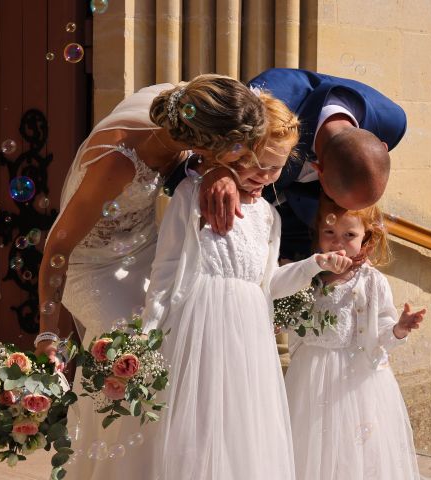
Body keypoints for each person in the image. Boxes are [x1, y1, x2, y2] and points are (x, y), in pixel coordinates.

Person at [33, 74, 269, 480]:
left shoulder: (184, 104)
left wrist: (216, 171)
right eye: (236, 152)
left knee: (181, 341)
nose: (247, 161)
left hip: (146, 252)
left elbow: (206, 153)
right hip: (92, 269)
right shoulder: (117, 160)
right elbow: (57, 249)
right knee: (133, 356)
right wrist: (47, 335)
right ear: (205, 141)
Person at [141, 94, 351, 480]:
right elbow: (166, 268)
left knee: (242, 425)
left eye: (276, 168)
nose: (266, 176)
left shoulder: (269, 215)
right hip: (198, 327)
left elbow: (267, 284)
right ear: (232, 152)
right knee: (198, 425)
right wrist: (148, 333)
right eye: (256, 164)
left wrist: (312, 266)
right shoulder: (194, 196)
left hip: (249, 336)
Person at [190, 68, 406, 262]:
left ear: (383, 146)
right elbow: (202, 139)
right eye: (337, 201)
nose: (342, 212)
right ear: (318, 170)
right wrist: (217, 169)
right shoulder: (267, 101)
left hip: (305, 238)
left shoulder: (391, 123)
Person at [285, 197, 425, 480]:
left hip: (356, 381)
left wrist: (399, 327)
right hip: (309, 378)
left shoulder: (371, 281)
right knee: (309, 450)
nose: (338, 242)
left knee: (354, 455)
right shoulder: (306, 276)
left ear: (366, 238)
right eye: (330, 233)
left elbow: (383, 328)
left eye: (350, 235)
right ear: (317, 233)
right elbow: (290, 319)